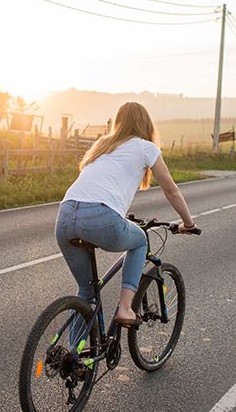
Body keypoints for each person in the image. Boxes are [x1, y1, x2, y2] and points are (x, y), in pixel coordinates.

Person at [55, 102, 196, 326]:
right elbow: (171, 190)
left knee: (86, 292)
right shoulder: (146, 147)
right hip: (101, 216)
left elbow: (99, 183)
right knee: (140, 240)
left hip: (65, 214)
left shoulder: (103, 144)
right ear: (146, 123)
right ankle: (125, 308)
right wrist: (187, 223)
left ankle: (76, 354)